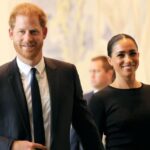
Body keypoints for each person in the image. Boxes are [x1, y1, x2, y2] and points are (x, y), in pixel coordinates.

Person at [0, 3, 104, 150]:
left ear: (44, 32)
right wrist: (12, 145)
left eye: (34, 31)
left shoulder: (67, 73)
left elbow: (86, 128)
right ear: (11, 33)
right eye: (21, 31)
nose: (28, 38)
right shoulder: (1, 78)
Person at [88, 33, 150, 150]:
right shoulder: (100, 99)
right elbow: (92, 144)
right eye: (121, 55)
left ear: (138, 55)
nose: (128, 59)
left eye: (132, 53)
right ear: (110, 60)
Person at [70, 56, 114, 150]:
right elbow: (75, 135)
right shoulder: (82, 99)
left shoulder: (118, 98)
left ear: (109, 73)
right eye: (90, 71)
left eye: (96, 71)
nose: (92, 75)